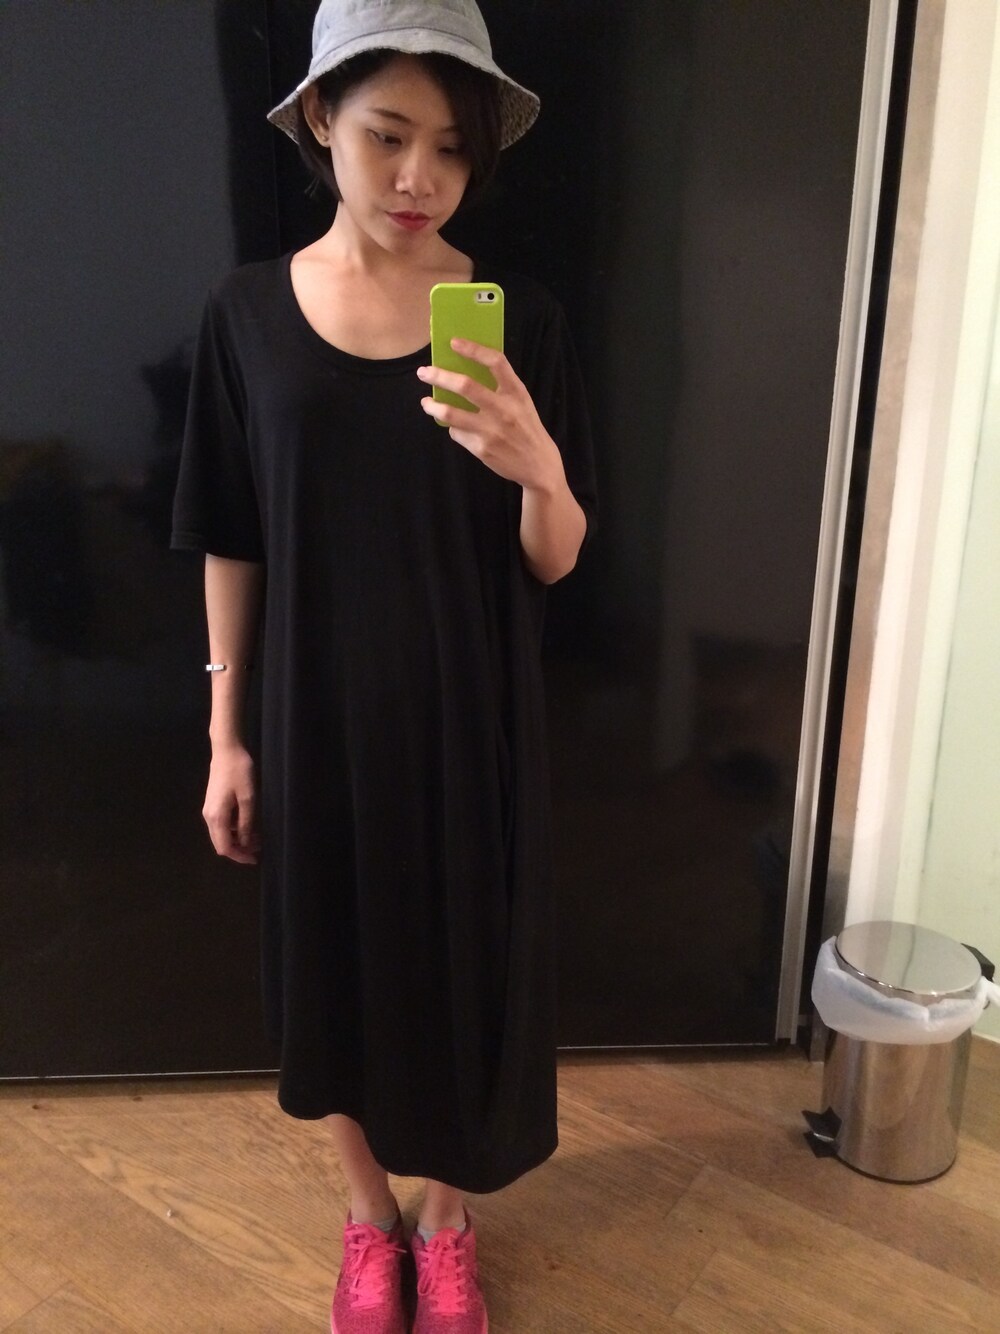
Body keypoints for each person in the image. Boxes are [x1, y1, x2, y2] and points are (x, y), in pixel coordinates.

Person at [171, 1, 596, 1330]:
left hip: (474, 712)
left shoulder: (520, 320)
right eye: (388, 135)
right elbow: (229, 533)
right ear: (319, 119)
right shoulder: (246, 314)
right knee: (330, 965)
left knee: (472, 968)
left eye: (453, 147)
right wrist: (225, 733)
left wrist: (541, 470)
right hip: (311, 713)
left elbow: (558, 559)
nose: (421, 176)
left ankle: (447, 1217)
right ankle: (369, 1213)